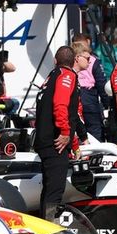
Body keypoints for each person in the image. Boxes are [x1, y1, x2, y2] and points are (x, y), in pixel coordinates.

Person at [32, 46, 88, 218]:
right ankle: (50, 230)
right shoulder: (67, 76)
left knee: (50, 188)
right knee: (55, 189)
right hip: (55, 141)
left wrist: (74, 143)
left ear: (55, 61)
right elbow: (60, 105)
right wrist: (65, 132)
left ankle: (45, 227)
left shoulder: (50, 77)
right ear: (73, 61)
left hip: (44, 139)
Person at [72, 34, 109, 141]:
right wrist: (106, 103)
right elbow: (101, 84)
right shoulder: (93, 60)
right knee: (95, 131)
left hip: (77, 97)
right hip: (89, 99)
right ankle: (95, 155)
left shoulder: (68, 59)